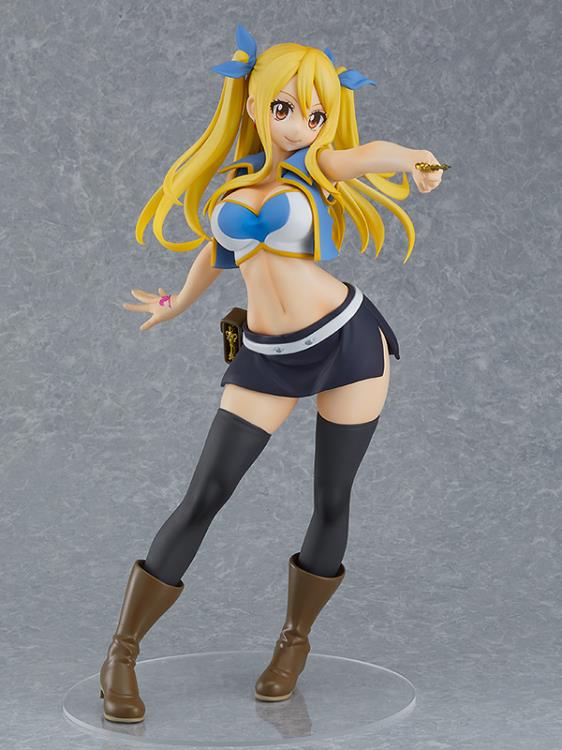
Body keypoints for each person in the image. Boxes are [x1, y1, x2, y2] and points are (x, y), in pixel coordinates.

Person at [99, 24, 445, 723]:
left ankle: (293, 642)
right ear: (256, 104)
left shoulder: (318, 166)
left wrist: (414, 159)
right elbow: (215, 253)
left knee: (331, 498)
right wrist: (176, 303)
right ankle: (122, 651)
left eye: (314, 114)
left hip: (347, 341)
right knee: (205, 494)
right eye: (285, 108)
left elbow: (367, 154)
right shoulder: (235, 184)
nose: (298, 126)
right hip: (265, 355)